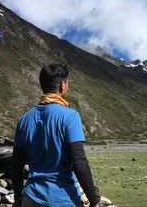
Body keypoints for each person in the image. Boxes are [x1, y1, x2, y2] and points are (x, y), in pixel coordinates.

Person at [11, 64, 100, 207]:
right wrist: (94, 201)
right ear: (63, 84)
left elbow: (16, 165)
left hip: (31, 197)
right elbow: (79, 162)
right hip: (62, 199)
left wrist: (18, 197)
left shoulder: (24, 119)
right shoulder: (70, 116)